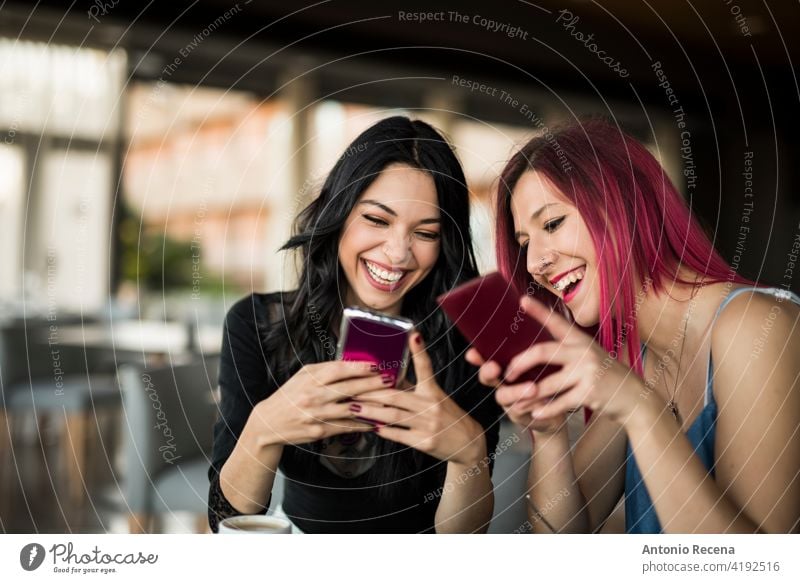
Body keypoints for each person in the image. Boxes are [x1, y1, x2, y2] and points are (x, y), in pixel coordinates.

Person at [468, 119, 800, 533]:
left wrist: (641, 409)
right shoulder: (631, 353)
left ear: (626, 206)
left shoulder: (754, 327)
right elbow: (565, 538)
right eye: (524, 243)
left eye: (552, 224)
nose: (535, 263)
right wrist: (549, 435)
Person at [208, 116, 502, 534]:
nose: (398, 253)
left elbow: (462, 543)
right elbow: (224, 521)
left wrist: (470, 453)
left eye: (425, 232)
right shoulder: (257, 325)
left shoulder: (469, 342)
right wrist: (263, 429)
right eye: (378, 221)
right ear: (340, 214)